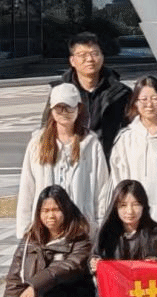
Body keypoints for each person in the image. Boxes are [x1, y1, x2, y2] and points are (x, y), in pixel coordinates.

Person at [4, 185, 96, 297]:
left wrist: (35, 286)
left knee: (51, 290)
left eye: (56, 210)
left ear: (66, 210)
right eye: (45, 211)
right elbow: (13, 281)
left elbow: (68, 267)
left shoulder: (79, 238)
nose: (50, 216)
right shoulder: (30, 240)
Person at [16, 84, 109, 240]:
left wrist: (99, 228)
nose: (64, 113)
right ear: (51, 110)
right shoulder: (37, 144)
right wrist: (24, 230)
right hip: (46, 231)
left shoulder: (91, 144)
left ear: (78, 108)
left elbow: (103, 190)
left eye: (69, 108)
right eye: (59, 108)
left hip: (80, 233)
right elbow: (27, 188)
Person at [109, 76, 157, 232]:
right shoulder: (126, 138)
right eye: (143, 99)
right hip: (135, 218)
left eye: (155, 98)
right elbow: (117, 178)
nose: (149, 104)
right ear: (135, 102)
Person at [51, 32, 131, 156]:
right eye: (82, 55)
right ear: (72, 60)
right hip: (71, 158)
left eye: (94, 54)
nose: (89, 59)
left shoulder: (120, 93)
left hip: (110, 160)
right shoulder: (60, 92)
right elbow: (48, 127)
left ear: (102, 57)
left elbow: (132, 130)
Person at [92, 179, 157, 271]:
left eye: (135, 205)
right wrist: (95, 264)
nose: (130, 211)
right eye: (123, 205)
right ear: (115, 207)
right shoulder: (106, 233)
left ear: (143, 206)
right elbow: (95, 256)